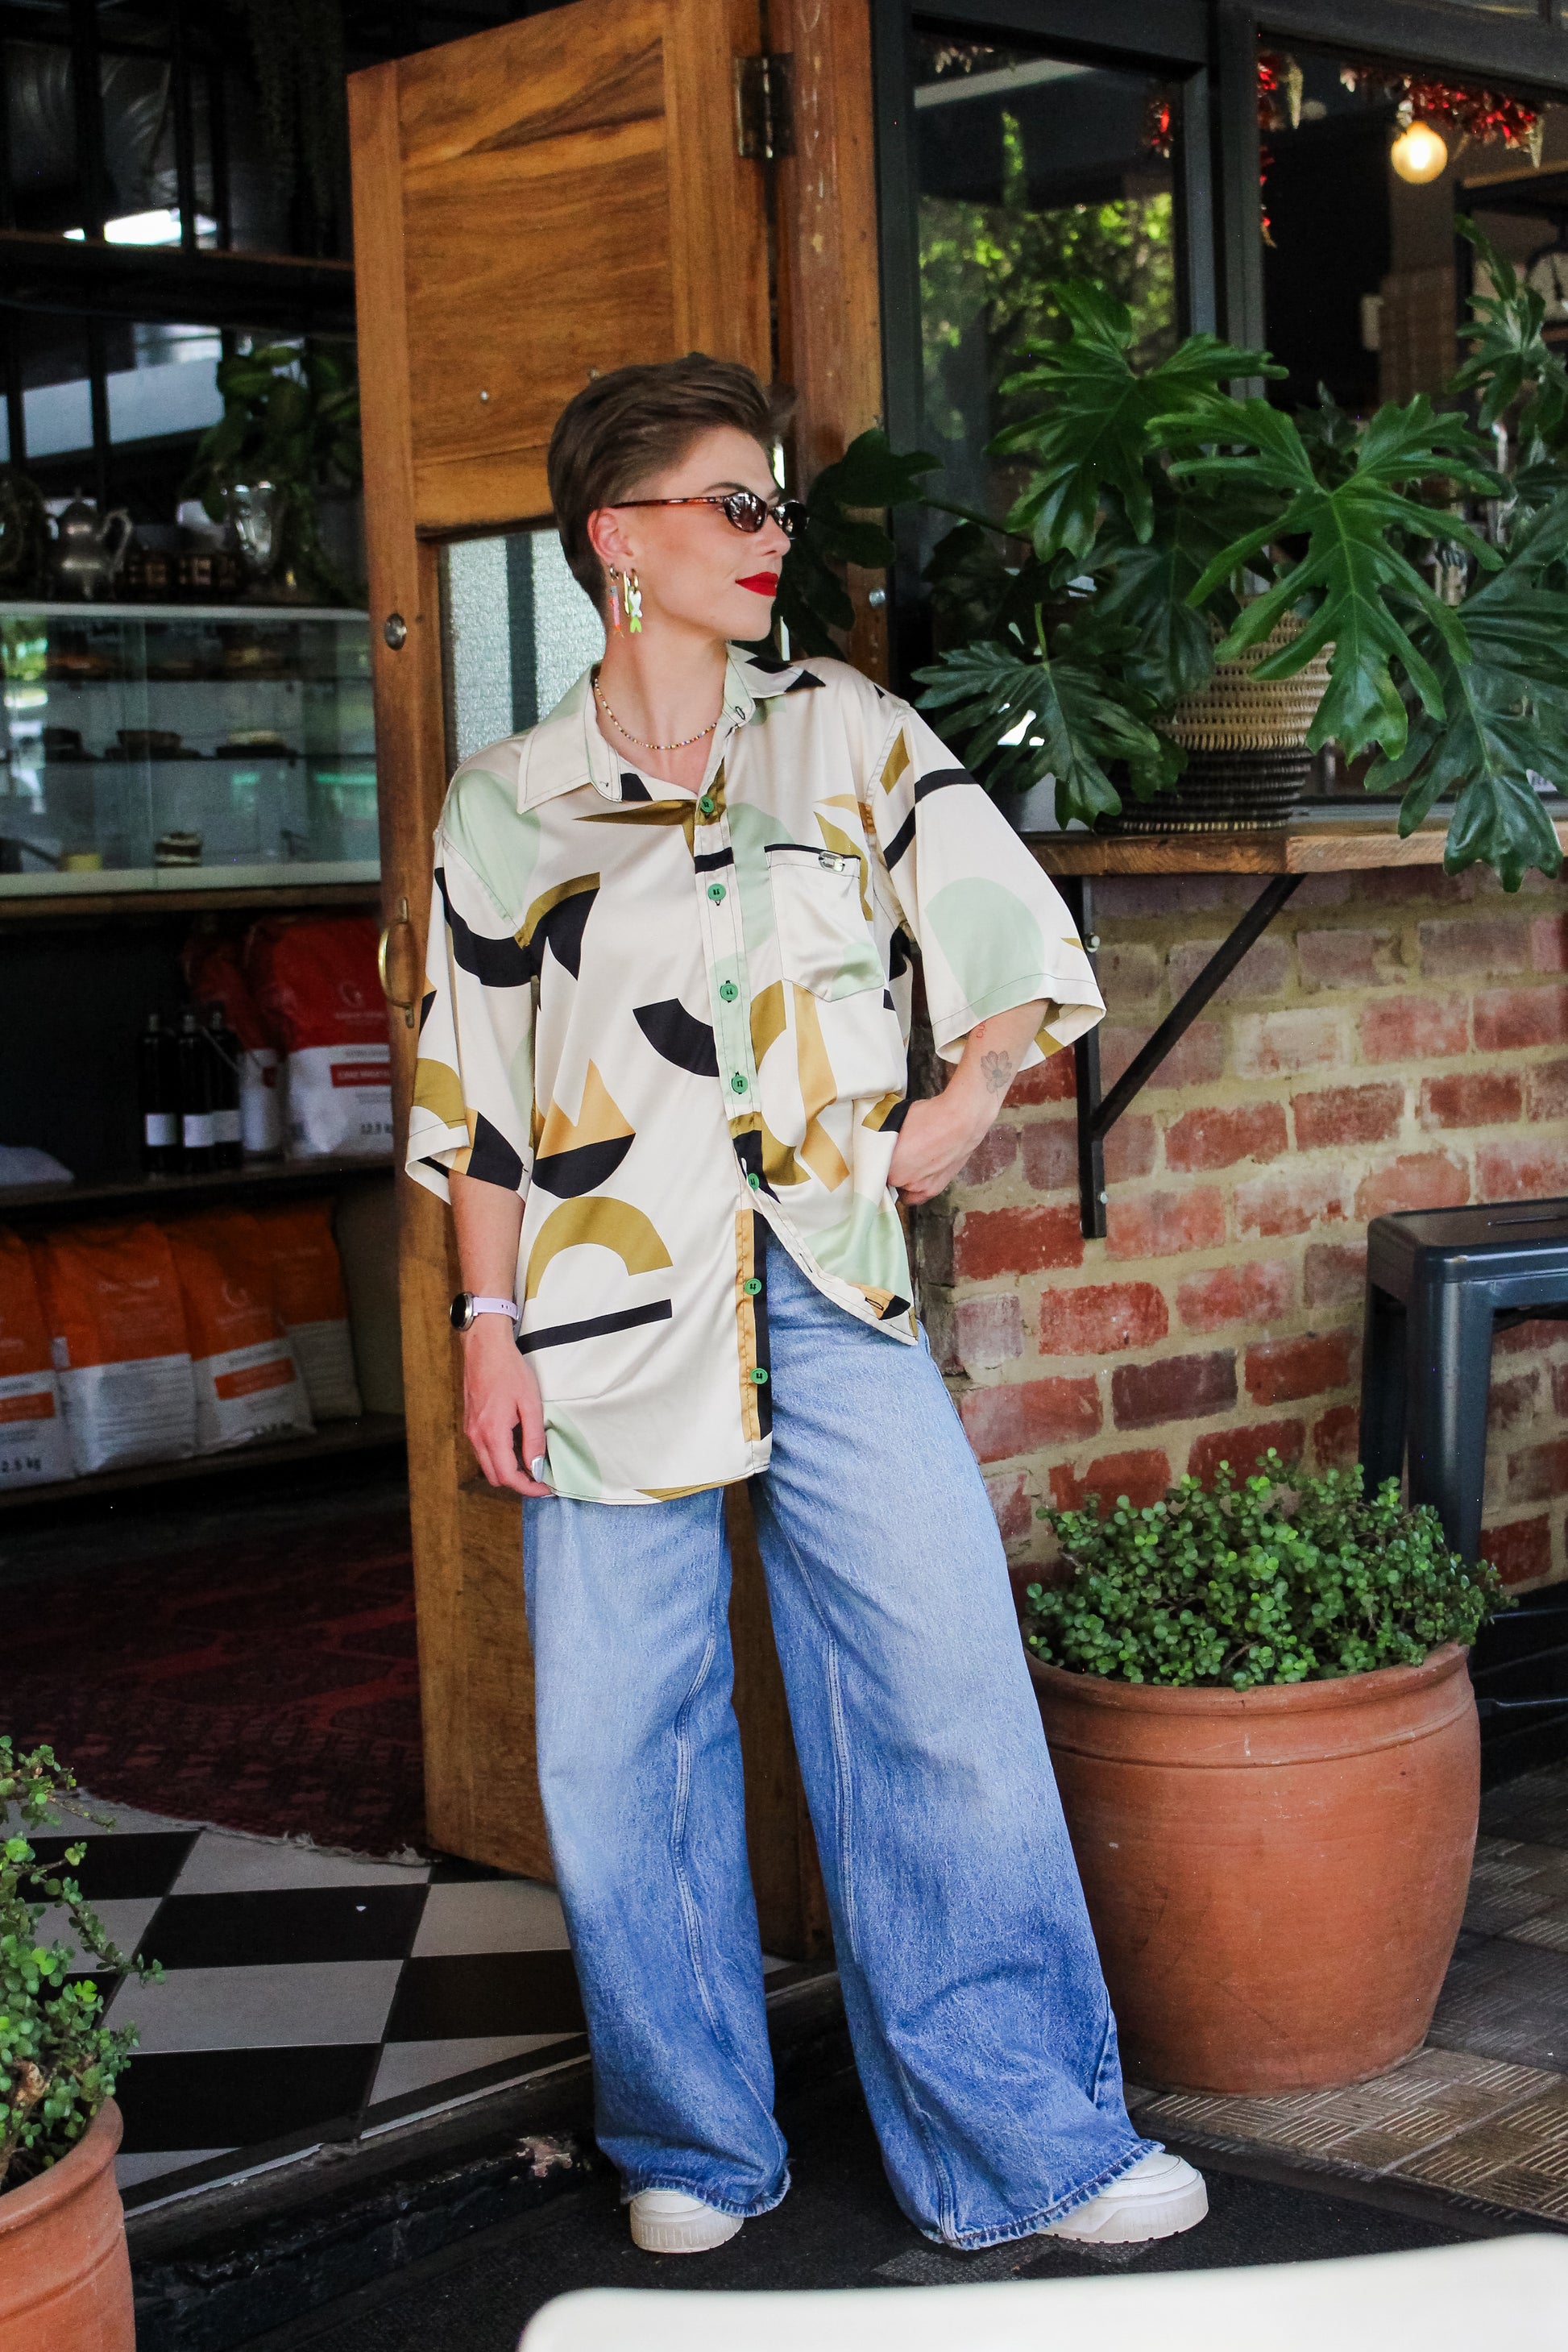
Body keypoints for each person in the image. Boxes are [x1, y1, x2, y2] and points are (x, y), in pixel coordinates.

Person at [407, 355, 1207, 2259]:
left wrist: (966, 1094)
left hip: (831, 1276)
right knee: (622, 1732)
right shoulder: (507, 804)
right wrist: (483, 1326)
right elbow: (479, 1105)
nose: (773, 534)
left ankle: (1029, 2139)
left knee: (939, 1689)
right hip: (600, 1304)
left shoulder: (843, 728)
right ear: (616, 536)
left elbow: (1003, 931)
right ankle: (690, 2137)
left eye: (774, 501)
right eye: (733, 502)